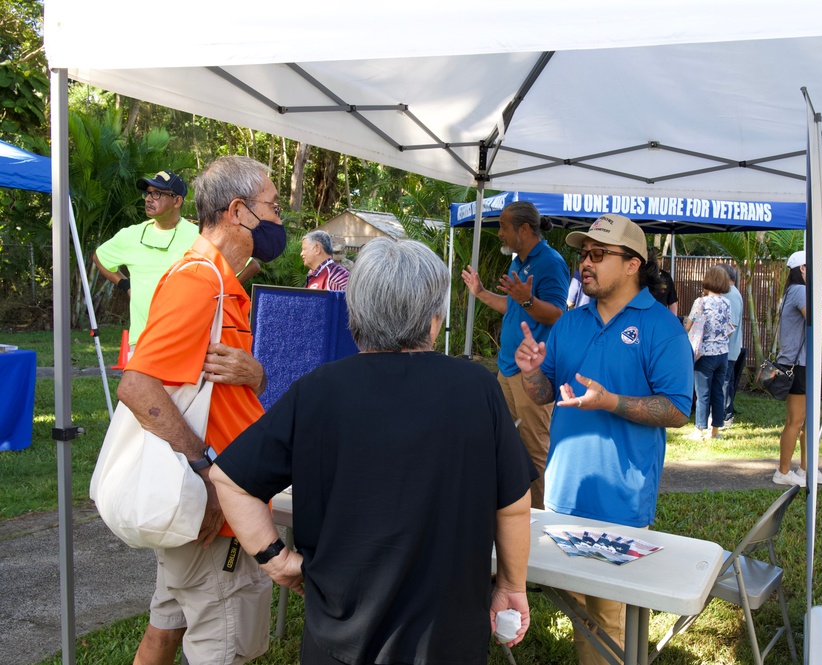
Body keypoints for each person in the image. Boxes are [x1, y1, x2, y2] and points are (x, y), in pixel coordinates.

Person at [210, 237, 535, 665]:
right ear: (434, 319)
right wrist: (512, 586)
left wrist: (278, 560)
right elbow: (513, 506)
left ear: (354, 314)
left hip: (337, 640)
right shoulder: (476, 388)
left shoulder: (318, 390)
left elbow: (229, 479)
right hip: (446, 641)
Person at [116, 155, 288, 664]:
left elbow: (210, 383)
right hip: (215, 514)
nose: (279, 219)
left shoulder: (221, 284)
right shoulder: (199, 281)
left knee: (164, 632)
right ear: (238, 211)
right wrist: (208, 473)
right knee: (224, 648)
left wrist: (257, 374)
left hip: (205, 514)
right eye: (272, 206)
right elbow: (137, 385)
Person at [514, 213, 693, 665]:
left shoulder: (661, 328)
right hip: (562, 495)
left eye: (598, 254)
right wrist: (532, 371)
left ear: (633, 264)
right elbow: (543, 395)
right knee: (578, 614)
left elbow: (677, 409)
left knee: (610, 620)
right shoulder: (571, 323)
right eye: (583, 254)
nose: (585, 263)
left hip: (621, 501)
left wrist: (611, 402)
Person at [461, 202, 570, 509]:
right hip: (507, 368)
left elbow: (557, 314)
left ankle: (537, 519)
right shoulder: (518, 262)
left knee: (533, 449)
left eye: (505, 226)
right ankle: (513, 511)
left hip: (532, 372)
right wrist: (481, 292)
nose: (500, 233)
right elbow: (513, 307)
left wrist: (526, 300)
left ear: (524, 229)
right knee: (508, 444)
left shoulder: (550, 262)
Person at [93, 171, 199, 352]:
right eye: (148, 193)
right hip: (142, 342)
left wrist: (212, 297)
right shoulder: (130, 235)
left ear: (177, 201)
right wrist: (124, 284)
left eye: (157, 194)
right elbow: (99, 257)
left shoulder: (198, 236)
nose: (149, 199)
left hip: (186, 343)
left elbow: (249, 266)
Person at [772, 251, 822, 487]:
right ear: (803, 268)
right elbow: (813, 318)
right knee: (797, 420)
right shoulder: (799, 290)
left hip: (800, 362)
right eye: (815, 267)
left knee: (805, 421)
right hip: (798, 364)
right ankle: (783, 471)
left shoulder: (793, 290)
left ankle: (806, 469)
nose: (821, 271)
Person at [684, 266, 734, 440]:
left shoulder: (701, 302)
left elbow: (689, 325)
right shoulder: (727, 303)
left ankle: (699, 430)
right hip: (723, 353)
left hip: (704, 353)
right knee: (718, 392)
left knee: (703, 392)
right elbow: (729, 328)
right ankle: (716, 431)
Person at [717, 263, 744, 428]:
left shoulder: (731, 296)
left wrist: (714, 340)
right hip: (726, 348)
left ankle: (726, 417)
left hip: (727, 348)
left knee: (725, 382)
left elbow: (731, 326)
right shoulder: (729, 294)